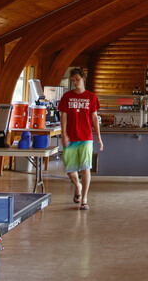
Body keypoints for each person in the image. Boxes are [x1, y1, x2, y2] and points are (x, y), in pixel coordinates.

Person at [60, 68, 103, 210]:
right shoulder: (67, 97)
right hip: (71, 137)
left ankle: (84, 198)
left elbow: (94, 117)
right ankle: (77, 185)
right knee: (70, 170)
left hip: (86, 137)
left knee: (85, 168)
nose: (74, 83)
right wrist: (64, 134)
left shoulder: (91, 97)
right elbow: (64, 116)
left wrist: (98, 137)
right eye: (72, 80)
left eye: (77, 79)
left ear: (83, 79)